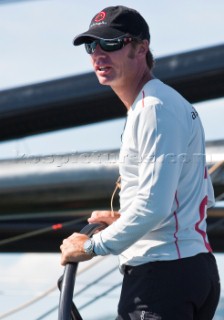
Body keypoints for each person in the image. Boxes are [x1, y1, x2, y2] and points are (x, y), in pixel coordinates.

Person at [60, 5, 220, 319]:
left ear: (141, 48)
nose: (98, 55)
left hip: (162, 276)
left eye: (110, 43)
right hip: (191, 271)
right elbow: (196, 196)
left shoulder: (153, 109)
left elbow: (154, 207)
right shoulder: (164, 103)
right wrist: (122, 218)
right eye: (91, 46)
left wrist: (91, 247)